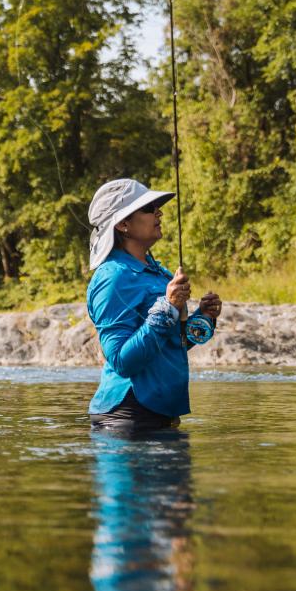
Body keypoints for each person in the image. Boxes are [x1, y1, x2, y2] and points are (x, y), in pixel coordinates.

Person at [85, 178, 221, 432]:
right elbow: (121, 361)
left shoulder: (159, 273)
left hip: (159, 418)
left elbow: (173, 342)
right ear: (123, 224)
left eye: (157, 206)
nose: (159, 212)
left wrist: (204, 318)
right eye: (149, 208)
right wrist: (167, 308)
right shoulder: (113, 278)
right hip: (126, 419)